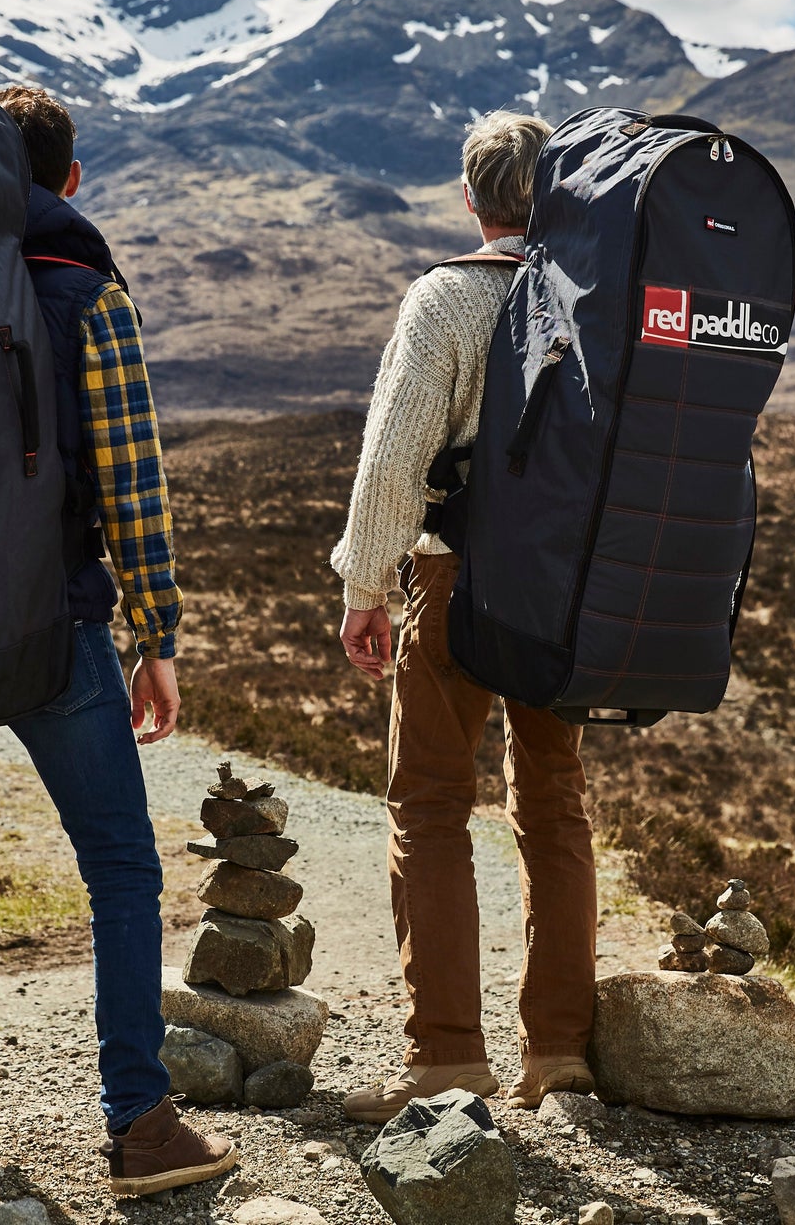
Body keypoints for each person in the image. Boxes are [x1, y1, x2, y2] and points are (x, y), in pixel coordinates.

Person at [0, 83, 236, 1196]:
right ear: (69, 178)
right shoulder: (85, 291)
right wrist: (156, 633)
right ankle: (139, 1122)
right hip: (52, 626)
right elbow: (130, 479)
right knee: (120, 866)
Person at [330, 111, 599, 1123]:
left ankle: (446, 1057)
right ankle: (561, 1051)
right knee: (554, 803)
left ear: (469, 198)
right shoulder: (594, 299)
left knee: (432, 807)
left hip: (453, 583)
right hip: (566, 591)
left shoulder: (444, 296)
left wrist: (364, 588)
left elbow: (394, 458)